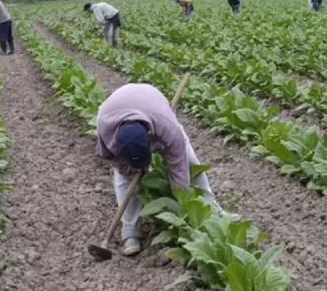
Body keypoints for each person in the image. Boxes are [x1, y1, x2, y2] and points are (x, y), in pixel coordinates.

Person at [96, 83, 231, 256]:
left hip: (154, 106)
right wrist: (127, 168)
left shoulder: (167, 127)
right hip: (118, 110)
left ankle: (213, 212)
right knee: (124, 178)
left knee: (190, 163)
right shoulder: (104, 125)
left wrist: (185, 207)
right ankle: (130, 232)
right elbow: (108, 157)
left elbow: (179, 169)